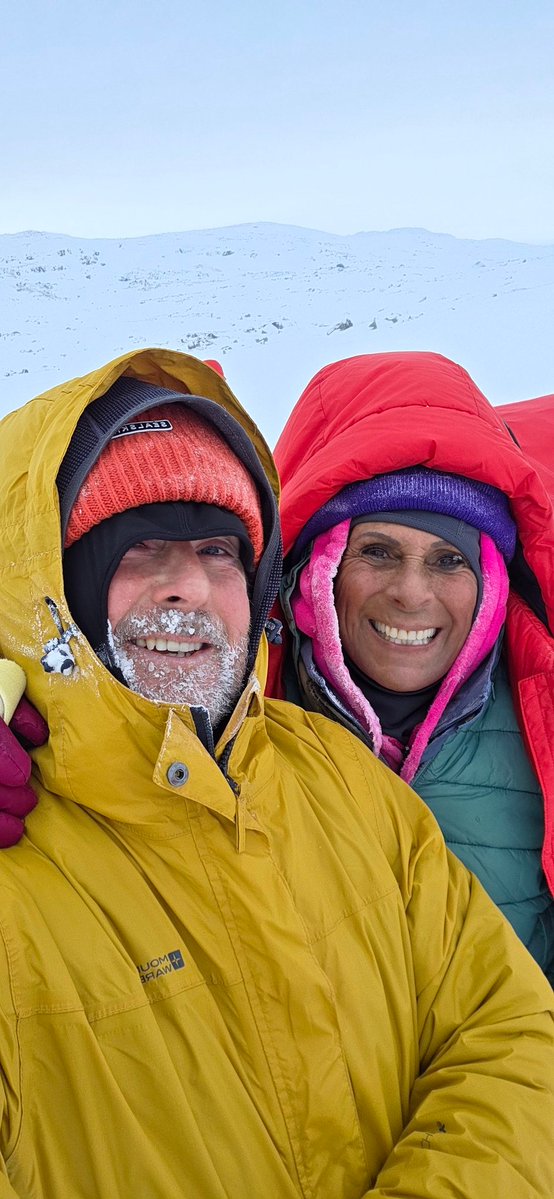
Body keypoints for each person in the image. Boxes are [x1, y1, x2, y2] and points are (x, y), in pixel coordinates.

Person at [0, 348, 552, 1198]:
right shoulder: (19, 852)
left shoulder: (341, 780)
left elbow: (506, 1025)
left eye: (217, 548)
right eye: (139, 547)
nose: (187, 586)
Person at [268, 350, 554, 981]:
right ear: (319, 569)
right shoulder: (232, 719)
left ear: (490, 586)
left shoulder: (543, 724)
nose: (411, 594)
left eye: (449, 561)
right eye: (377, 551)